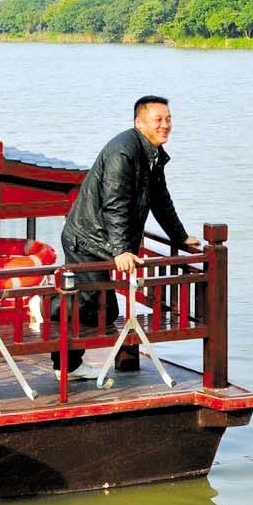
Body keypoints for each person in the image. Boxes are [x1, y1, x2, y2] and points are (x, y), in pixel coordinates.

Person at [53, 95, 203, 380]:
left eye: (168, 119)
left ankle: (69, 364)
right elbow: (115, 202)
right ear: (139, 122)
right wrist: (121, 249)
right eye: (158, 119)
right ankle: (67, 364)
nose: (166, 125)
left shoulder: (152, 153)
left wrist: (180, 236)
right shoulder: (124, 152)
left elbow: (160, 200)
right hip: (88, 239)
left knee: (104, 310)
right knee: (88, 307)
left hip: (102, 242)